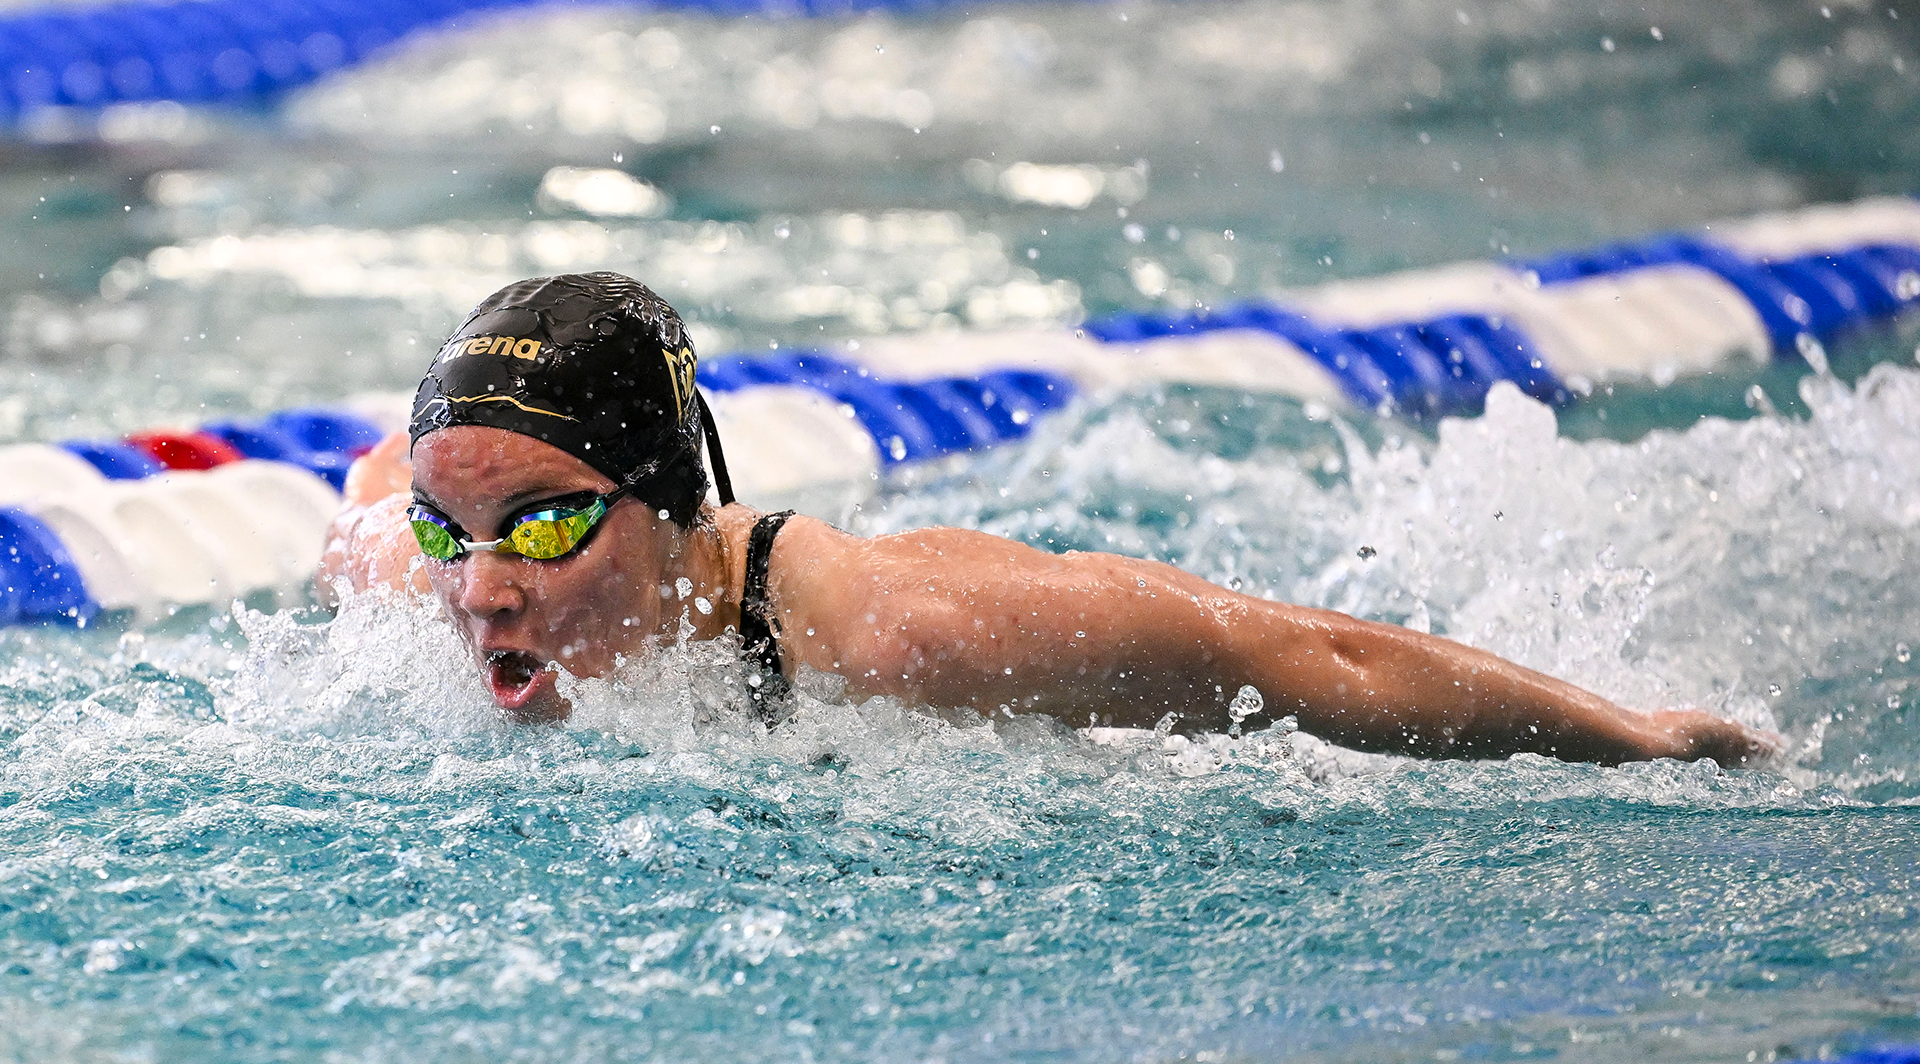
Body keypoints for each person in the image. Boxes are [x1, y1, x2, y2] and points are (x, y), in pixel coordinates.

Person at [319, 271, 1777, 766]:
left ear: (671, 502)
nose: (484, 597)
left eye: (550, 529)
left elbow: (1298, 659)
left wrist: (1636, 735)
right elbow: (378, 505)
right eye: (461, 536)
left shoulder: (904, 633)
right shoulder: (426, 568)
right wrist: (417, 503)